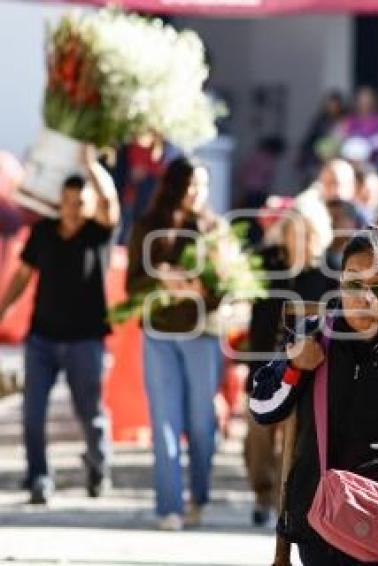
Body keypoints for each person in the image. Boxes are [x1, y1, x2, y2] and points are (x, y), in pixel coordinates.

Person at [249, 227, 378, 565]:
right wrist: (294, 367)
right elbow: (262, 407)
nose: (364, 297)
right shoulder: (313, 335)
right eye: (354, 283)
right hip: (320, 522)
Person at [0, 147, 119, 504]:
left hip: (86, 339)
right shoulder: (44, 233)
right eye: (66, 201)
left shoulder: (98, 234)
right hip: (42, 339)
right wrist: (3, 308)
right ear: (59, 202)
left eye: (79, 202)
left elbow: (110, 202)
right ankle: (38, 477)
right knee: (32, 413)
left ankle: (98, 464)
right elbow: (23, 275)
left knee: (90, 413)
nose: (72, 208)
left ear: (88, 204)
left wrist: (90, 165)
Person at [126, 157, 226, 530]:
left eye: (203, 185)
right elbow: (132, 284)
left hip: (202, 333)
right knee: (164, 422)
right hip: (160, 333)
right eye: (192, 184)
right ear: (175, 185)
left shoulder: (215, 228)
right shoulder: (147, 226)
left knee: (201, 423)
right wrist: (162, 280)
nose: (198, 192)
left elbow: (230, 286)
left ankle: (199, 496)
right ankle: (169, 506)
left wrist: (201, 290)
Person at [244, 195, 337, 527]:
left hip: (307, 371)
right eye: (293, 230)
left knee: (295, 438)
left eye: (306, 231)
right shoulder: (266, 263)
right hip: (264, 363)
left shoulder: (329, 273)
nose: (299, 238)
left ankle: (286, 501)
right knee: (258, 433)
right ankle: (262, 493)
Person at [297, 90, 347, 182]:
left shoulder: (345, 120)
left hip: (339, 158)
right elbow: (310, 139)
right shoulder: (320, 121)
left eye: (335, 105)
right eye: (330, 104)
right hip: (319, 160)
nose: (332, 107)